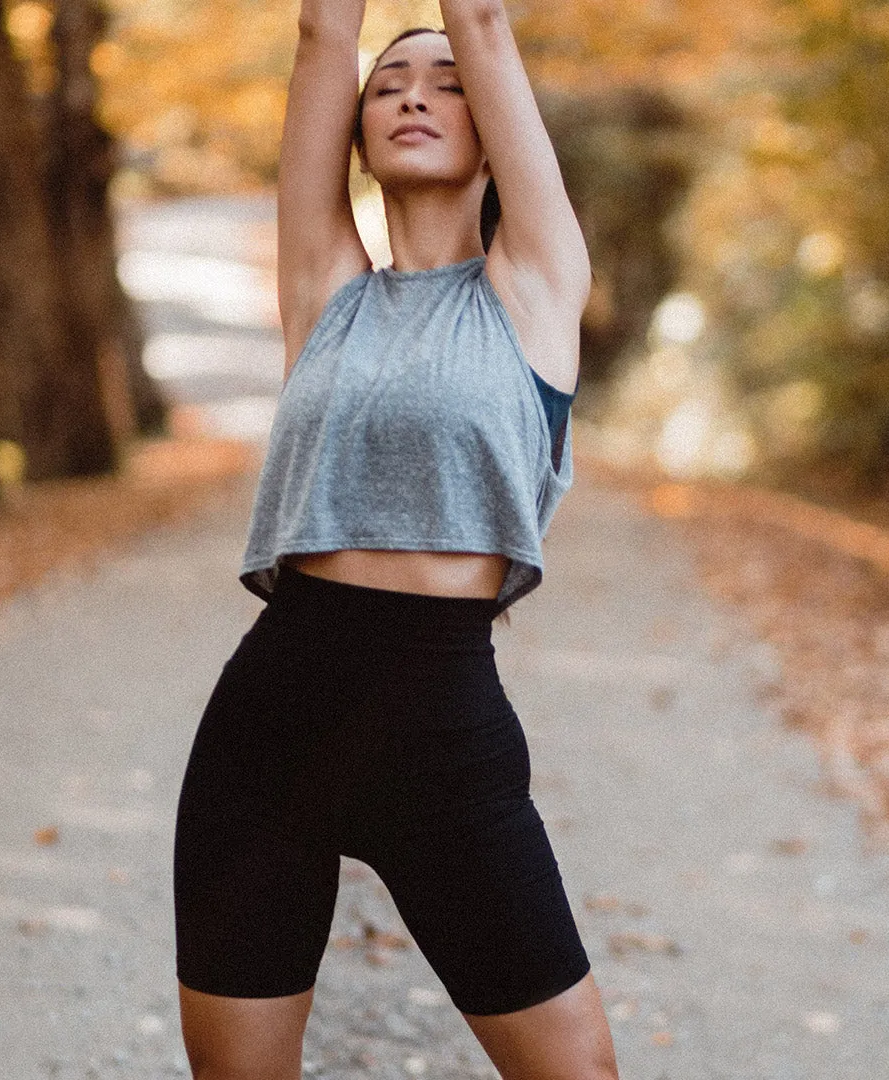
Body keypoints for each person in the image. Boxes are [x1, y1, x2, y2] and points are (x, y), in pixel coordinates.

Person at [172, 0, 621, 1076]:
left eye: (447, 80)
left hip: (441, 739)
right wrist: (343, 52)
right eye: (389, 86)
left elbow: (484, 18)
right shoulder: (323, 292)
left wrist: (474, 42)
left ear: (492, 133)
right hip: (266, 731)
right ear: (359, 136)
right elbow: (324, 32)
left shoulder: (536, 287)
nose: (414, 92)